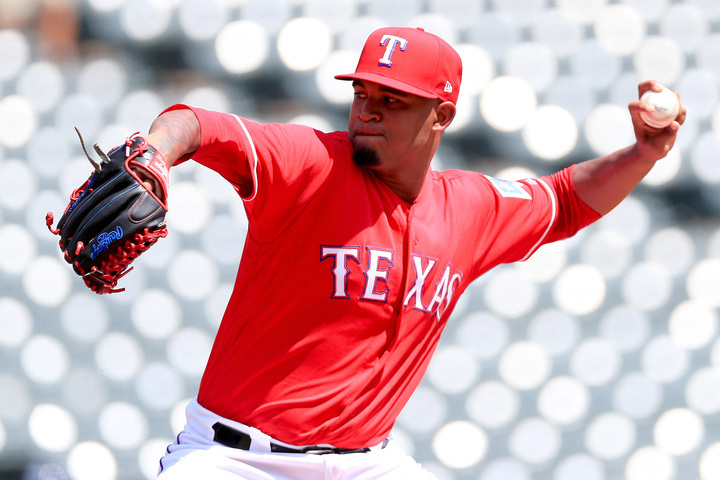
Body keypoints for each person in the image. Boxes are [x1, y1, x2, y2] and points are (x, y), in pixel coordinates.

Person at [144, 26, 685, 479]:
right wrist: (154, 154)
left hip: (364, 464)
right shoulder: (312, 164)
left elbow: (564, 200)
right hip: (236, 458)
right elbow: (198, 125)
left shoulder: (468, 209)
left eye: (391, 100)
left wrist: (643, 154)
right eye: (362, 94)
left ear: (441, 116)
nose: (368, 112)